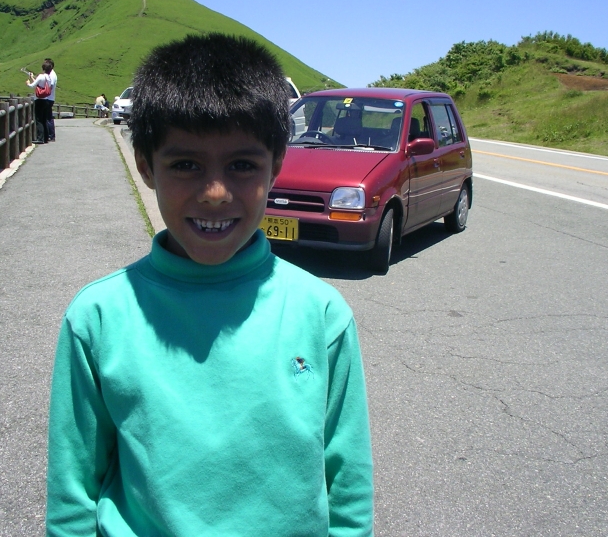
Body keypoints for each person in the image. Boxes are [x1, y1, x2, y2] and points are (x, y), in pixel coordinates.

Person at [46, 33, 374, 536]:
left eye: (242, 165)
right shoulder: (99, 317)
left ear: (276, 165)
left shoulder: (321, 314)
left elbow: (347, 484)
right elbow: (73, 495)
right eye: (185, 165)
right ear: (145, 166)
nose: (216, 193)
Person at [25, 60, 54, 144]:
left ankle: (40, 138)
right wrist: (32, 77)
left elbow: (32, 86)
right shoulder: (49, 78)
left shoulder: (41, 76)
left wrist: (28, 83)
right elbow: (40, 85)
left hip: (39, 100)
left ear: (43, 68)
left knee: (38, 120)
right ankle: (45, 137)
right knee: (44, 119)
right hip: (46, 100)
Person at [45, 57, 57, 141]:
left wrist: (44, 91)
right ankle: (50, 135)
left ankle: (51, 135)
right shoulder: (52, 74)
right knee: (48, 117)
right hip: (50, 98)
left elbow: (51, 85)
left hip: (49, 98)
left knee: (48, 117)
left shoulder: (52, 75)